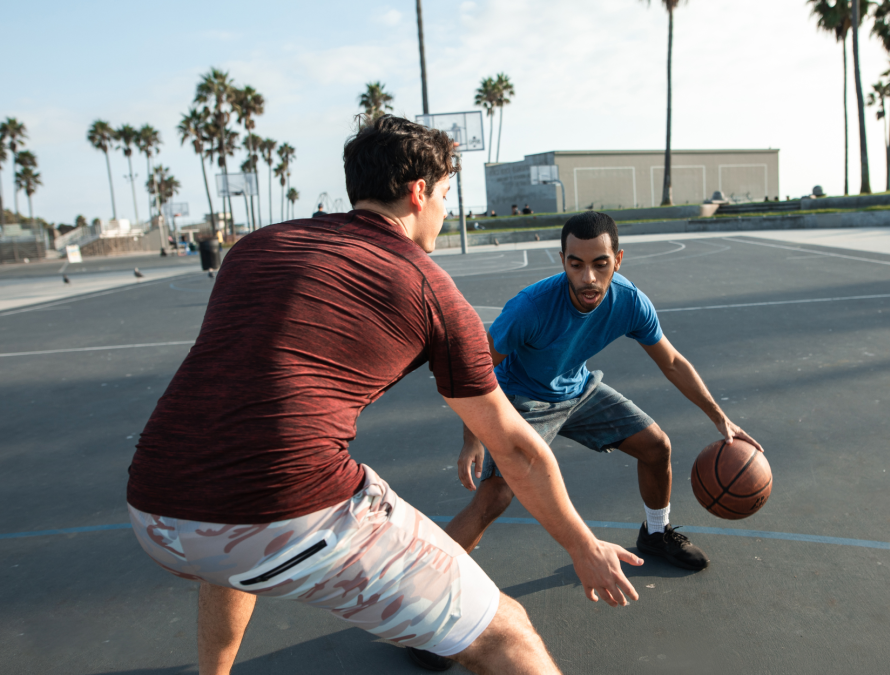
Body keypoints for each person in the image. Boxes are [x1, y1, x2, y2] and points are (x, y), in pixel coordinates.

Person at [126, 116, 641, 675]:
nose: (445, 213)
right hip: (285, 515)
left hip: (156, 510)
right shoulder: (429, 288)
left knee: (228, 540)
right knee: (506, 636)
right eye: (445, 195)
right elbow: (514, 450)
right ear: (419, 193)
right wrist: (583, 547)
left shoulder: (256, 247)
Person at [408, 211, 763, 669]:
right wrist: (473, 437)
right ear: (562, 259)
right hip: (522, 400)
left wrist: (720, 418)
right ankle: (424, 614)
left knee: (657, 447)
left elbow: (671, 361)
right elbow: (476, 370)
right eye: (575, 264)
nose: (587, 276)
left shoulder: (630, 302)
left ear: (618, 259)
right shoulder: (531, 307)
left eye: (599, 263)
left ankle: (655, 534)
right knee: (495, 497)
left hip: (576, 389)